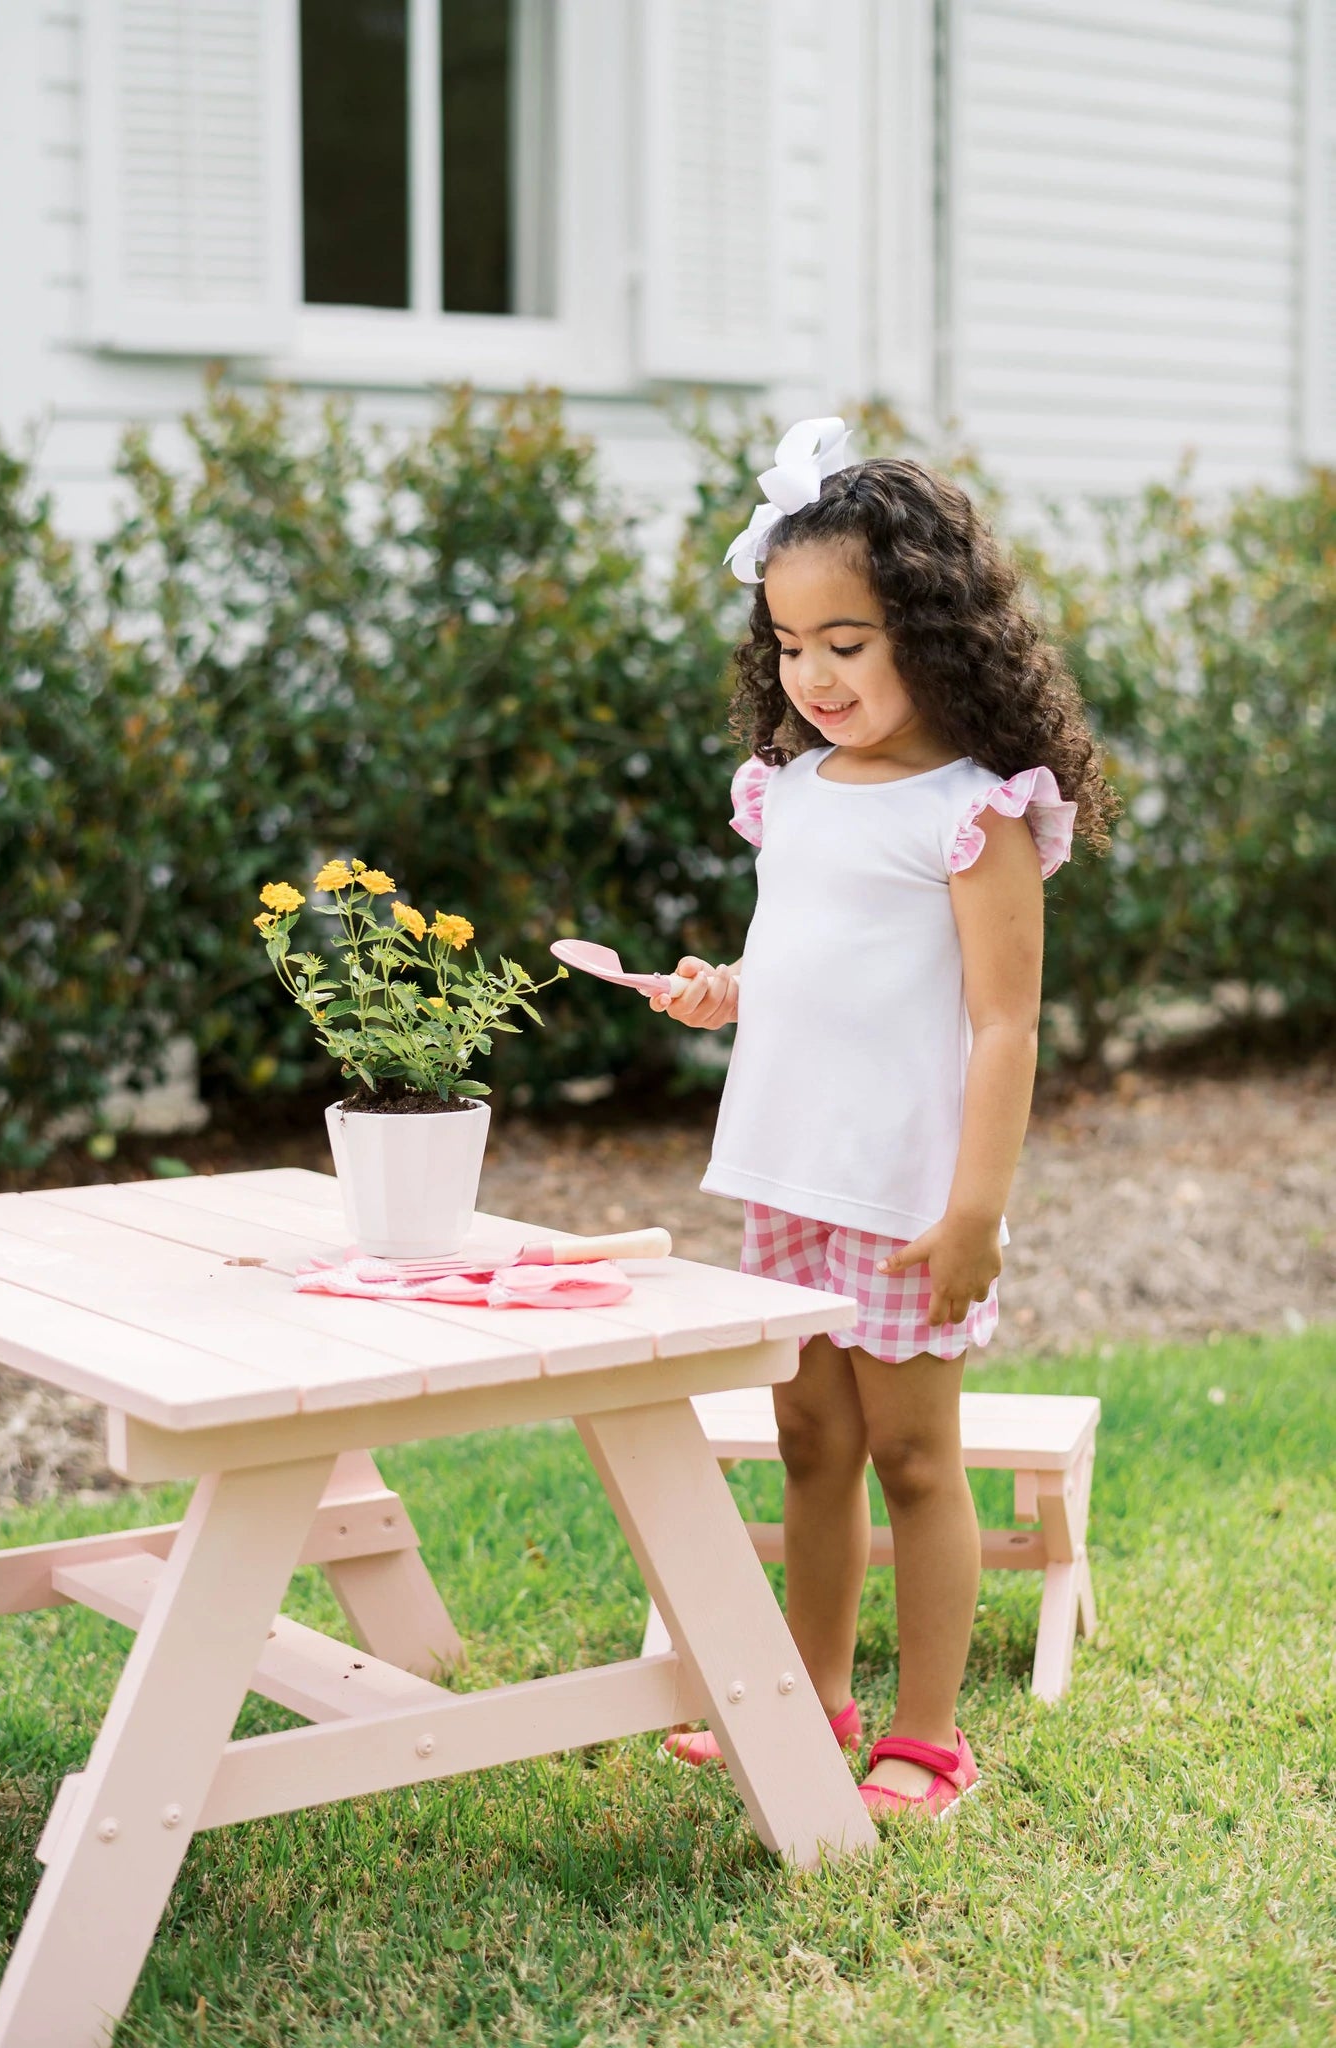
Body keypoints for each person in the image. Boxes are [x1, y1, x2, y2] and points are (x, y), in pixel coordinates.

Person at [650, 419, 1117, 1817]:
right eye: (791, 646)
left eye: (847, 640)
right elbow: (805, 961)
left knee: (916, 1460)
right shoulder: (786, 792)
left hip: (910, 1199)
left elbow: (1000, 1023)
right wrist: (719, 991)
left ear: (932, 625)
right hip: (790, 1183)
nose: (816, 675)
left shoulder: (976, 815)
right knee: (809, 1450)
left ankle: (926, 1732)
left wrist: (972, 1210)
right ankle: (806, 1694)